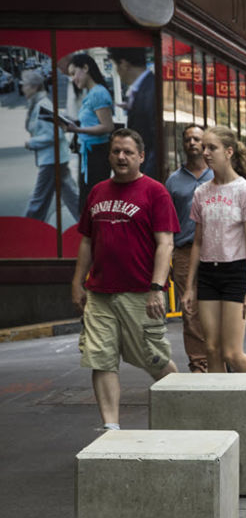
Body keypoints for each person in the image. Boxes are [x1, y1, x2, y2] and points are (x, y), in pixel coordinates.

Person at [71, 128, 179, 429]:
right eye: (116, 151)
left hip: (140, 293)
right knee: (100, 357)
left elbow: (165, 243)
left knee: (152, 358)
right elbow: (87, 241)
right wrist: (77, 281)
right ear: (109, 155)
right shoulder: (97, 191)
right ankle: (111, 427)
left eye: (128, 152)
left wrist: (157, 288)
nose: (121, 157)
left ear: (141, 157)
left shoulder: (155, 191)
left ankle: (184, 405)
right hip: (100, 292)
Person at [181, 126, 246, 377]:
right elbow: (197, 241)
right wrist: (189, 286)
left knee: (232, 353)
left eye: (212, 147)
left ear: (228, 152)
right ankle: (221, 407)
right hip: (208, 273)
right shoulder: (201, 192)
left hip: (235, 272)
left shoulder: (244, 191)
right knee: (212, 348)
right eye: (204, 147)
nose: (205, 152)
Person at [164, 123, 211, 373]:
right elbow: (166, 223)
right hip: (183, 252)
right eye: (188, 139)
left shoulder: (217, 175)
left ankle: (219, 358)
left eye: (196, 139)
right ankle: (199, 364)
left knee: (216, 307)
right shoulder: (173, 181)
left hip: (215, 253)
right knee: (190, 310)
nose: (192, 143)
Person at [21, 69, 80, 222]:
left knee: (39, 199)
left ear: (34, 87)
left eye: (25, 85)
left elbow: (54, 134)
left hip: (52, 159)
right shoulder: (41, 104)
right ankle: (88, 223)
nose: (22, 88)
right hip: (56, 158)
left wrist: (31, 143)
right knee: (70, 195)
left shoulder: (43, 106)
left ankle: (28, 226)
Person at [65, 53, 114, 216]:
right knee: (89, 201)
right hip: (89, 153)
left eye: (74, 73)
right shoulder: (92, 93)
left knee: (94, 202)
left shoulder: (98, 93)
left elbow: (107, 126)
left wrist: (77, 130)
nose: (73, 79)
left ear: (85, 68)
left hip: (97, 155)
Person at [108, 48, 156, 178]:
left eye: (115, 66)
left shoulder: (151, 89)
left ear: (123, 64)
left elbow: (156, 140)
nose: (117, 72)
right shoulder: (144, 86)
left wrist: (144, 177)